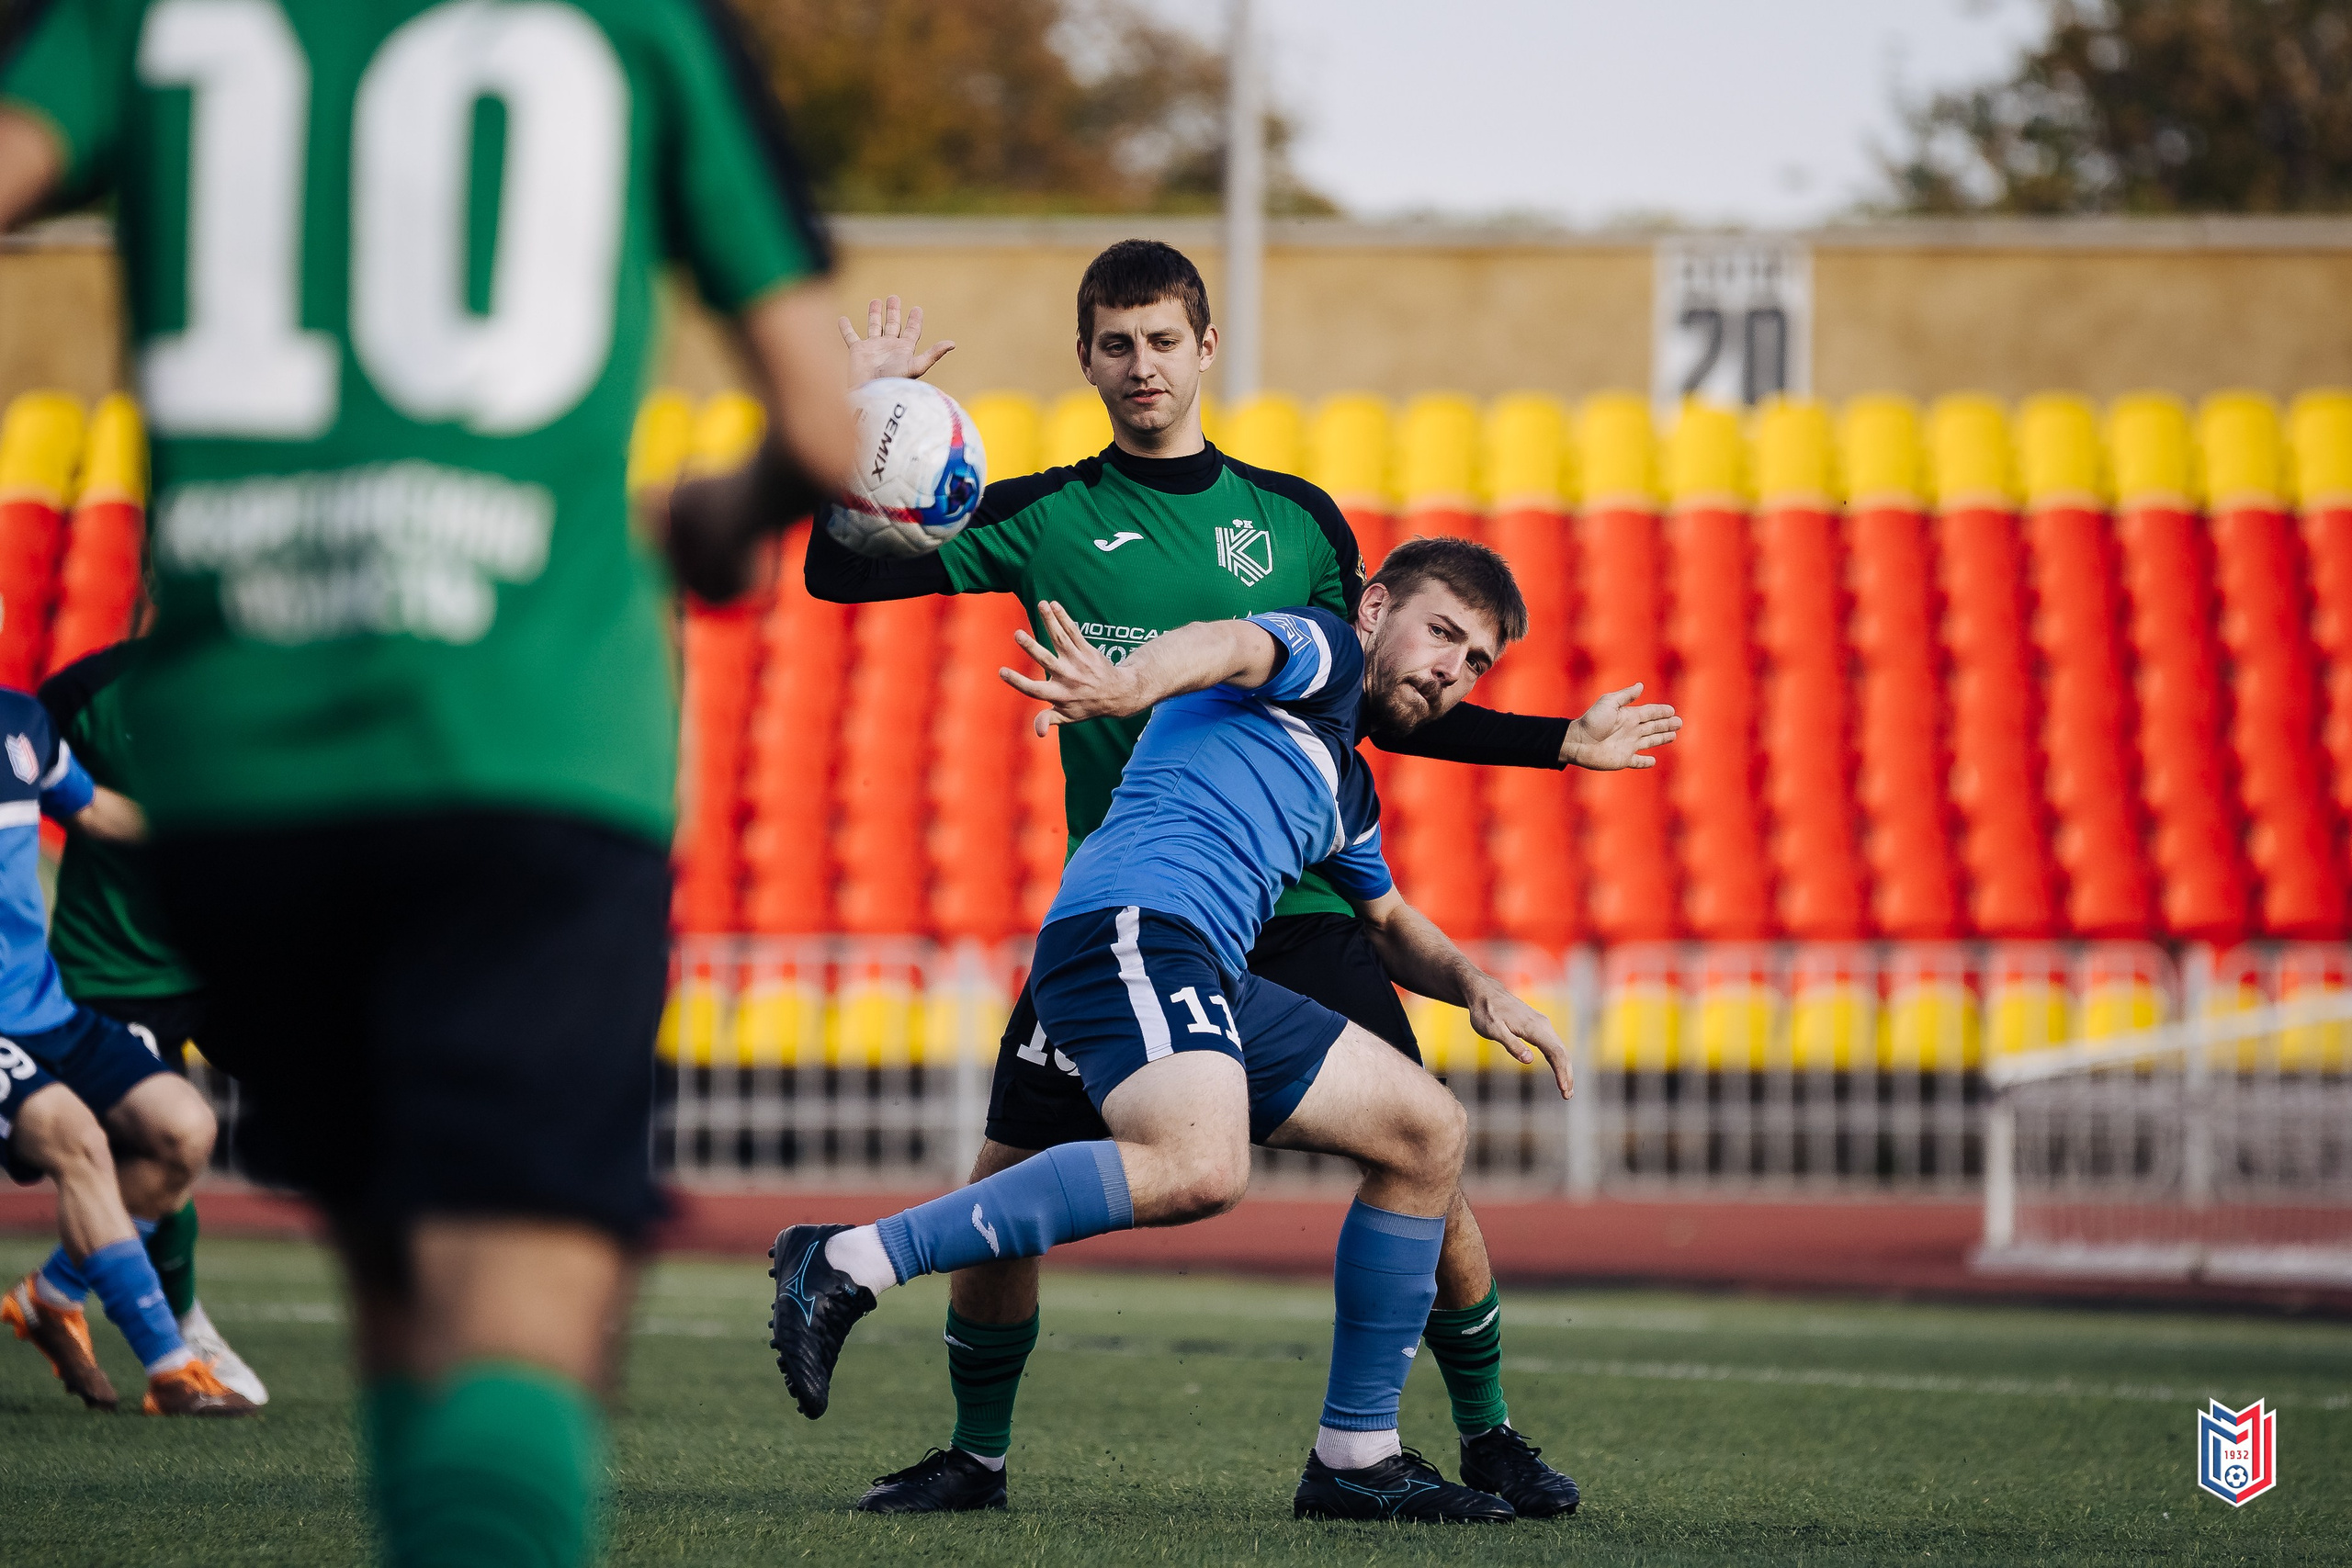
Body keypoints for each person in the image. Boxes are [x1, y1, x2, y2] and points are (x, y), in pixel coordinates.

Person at [0, 4, 856, 1561]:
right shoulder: (639, 24)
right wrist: (709, 523)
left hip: (247, 762)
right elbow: (816, 422)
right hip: (528, 739)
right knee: (520, 1318)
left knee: (404, 1287)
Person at [807, 243, 1678, 1515]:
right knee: (1015, 1168)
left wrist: (1550, 741)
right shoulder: (1042, 513)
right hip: (1137, 898)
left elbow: (1376, 693)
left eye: (1164, 339)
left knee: (1426, 1151)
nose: (1142, 365)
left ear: (1206, 347)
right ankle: (975, 1453)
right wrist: (855, 438)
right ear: (1088, 357)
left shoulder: (1298, 522)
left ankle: (1478, 1434)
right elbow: (840, 567)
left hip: (1299, 899)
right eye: (1117, 343)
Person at [774, 542, 1574, 1522]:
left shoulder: (1343, 782)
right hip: (1131, 931)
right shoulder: (1316, 647)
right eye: (1442, 632)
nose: (1452, 667)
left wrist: (1479, 988)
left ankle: (1355, 1457)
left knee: (1426, 1133)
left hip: (1204, 967)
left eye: (1478, 660)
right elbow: (1223, 644)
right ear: (1373, 610)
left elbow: (1388, 921)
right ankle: (848, 1261)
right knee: (1201, 1167)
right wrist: (1125, 683)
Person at [0, 682, 248, 1415]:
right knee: (78, 1139)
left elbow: (94, 808)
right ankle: (172, 1368)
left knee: (184, 1128)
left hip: (44, 1009)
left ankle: (52, 1296)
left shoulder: (22, 722)